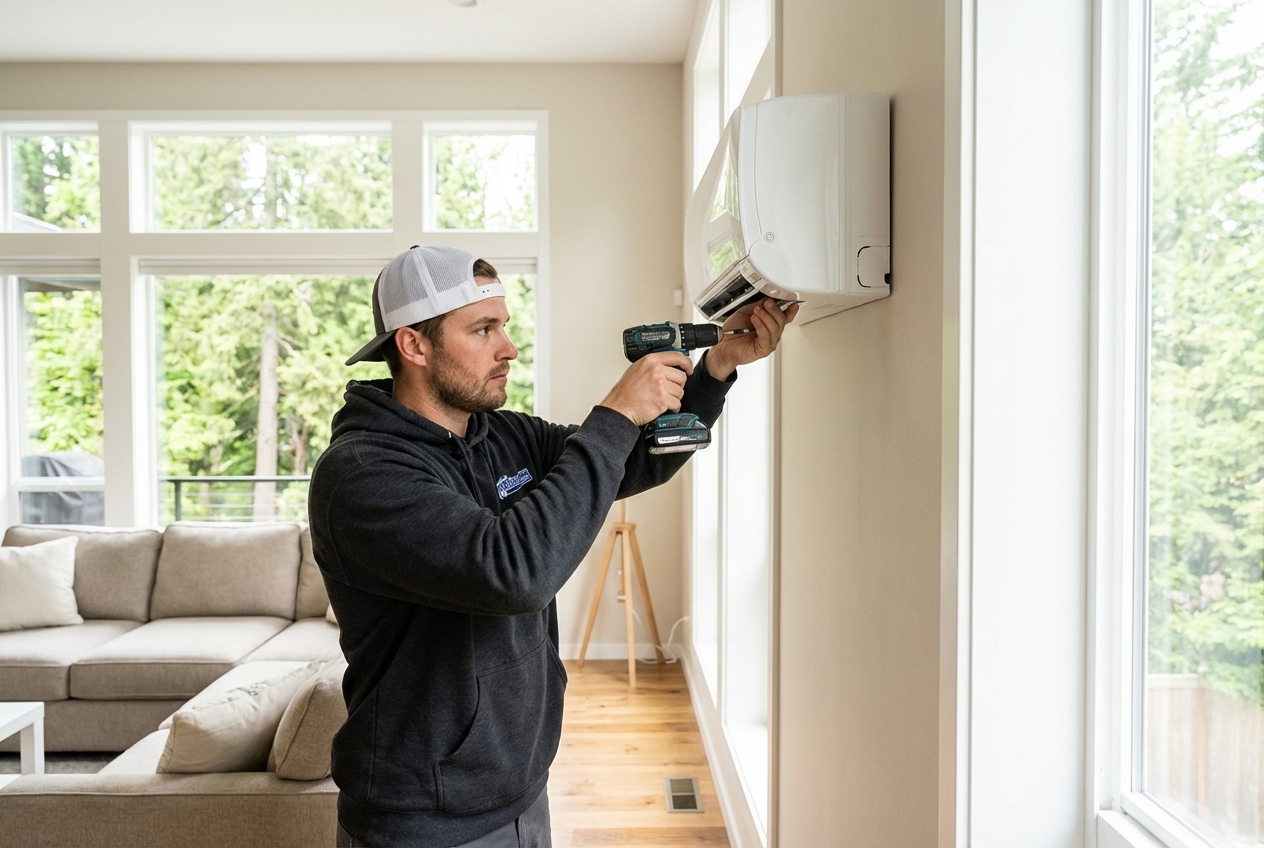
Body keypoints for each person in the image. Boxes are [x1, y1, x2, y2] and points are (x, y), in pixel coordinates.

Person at [309, 245, 796, 848]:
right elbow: (512, 574)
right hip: (424, 817)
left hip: (520, 786)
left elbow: (631, 463)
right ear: (414, 346)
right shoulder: (362, 476)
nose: (507, 347)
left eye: (503, 326)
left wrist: (715, 369)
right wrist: (616, 411)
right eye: (482, 330)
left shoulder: (503, 436)